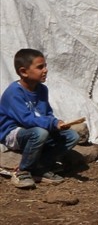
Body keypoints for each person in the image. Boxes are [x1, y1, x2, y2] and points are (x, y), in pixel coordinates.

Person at [0, 49, 80, 188]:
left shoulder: (42, 89)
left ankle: (40, 166)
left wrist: (58, 124)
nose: (45, 70)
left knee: (72, 136)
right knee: (40, 132)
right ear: (24, 72)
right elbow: (26, 119)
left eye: (45, 66)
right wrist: (52, 123)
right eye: (40, 67)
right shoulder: (14, 92)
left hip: (34, 131)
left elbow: (46, 114)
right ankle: (22, 171)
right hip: (14, 133)